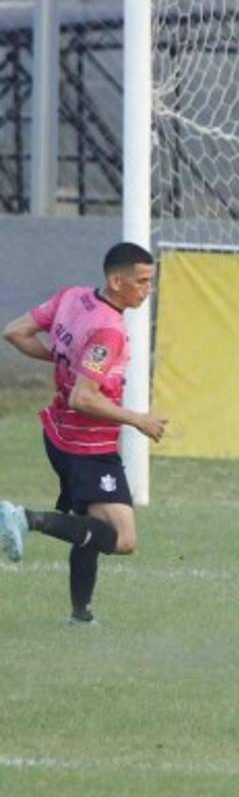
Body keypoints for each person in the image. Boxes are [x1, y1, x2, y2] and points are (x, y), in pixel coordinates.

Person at [1, 242, 166, 625]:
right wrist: (137, 419)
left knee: (86, 526)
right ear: (115, 280)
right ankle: (25, 519)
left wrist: (61, 359)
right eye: (142, 282)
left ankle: (81, 615)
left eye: (151, 281)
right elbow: (83, 398)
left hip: (57, 433)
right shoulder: (109, 331)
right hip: (87, 445)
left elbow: (15, 332)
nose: (148, 289)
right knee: (123, 539)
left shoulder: (71, 297)